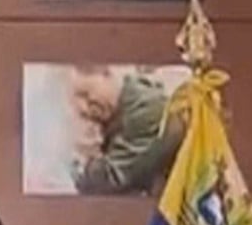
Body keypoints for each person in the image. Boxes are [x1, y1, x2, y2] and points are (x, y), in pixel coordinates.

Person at [64, 64, 184, 196]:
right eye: (77, 103)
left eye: (85, 94)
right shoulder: (121, 114)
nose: (84, 108)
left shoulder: (144, 110)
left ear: (106, 75)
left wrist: (83, 159)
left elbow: (111, 180)